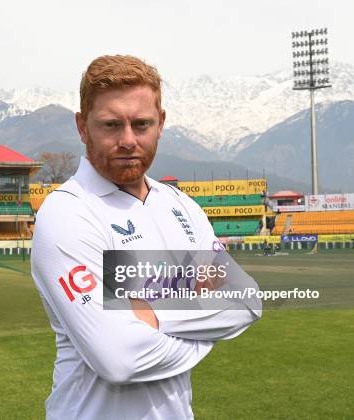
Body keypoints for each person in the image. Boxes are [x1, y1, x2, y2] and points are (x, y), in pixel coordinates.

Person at [31, 55, 262, 420]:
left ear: (161, 123)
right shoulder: (68, 214)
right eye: (110, 125)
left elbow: (246, 301)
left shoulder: (182, 207)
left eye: (141, 124)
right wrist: (203, 331)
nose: (127, 140)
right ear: (82, 126)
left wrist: (149, 313)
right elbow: (119, 358)